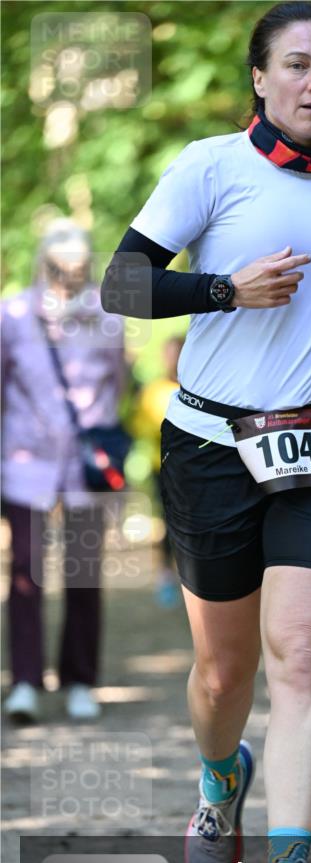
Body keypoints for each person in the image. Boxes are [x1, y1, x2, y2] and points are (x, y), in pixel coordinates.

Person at [102, 1, 311, 863]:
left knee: (305, 658)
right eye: (296, 65)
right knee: (221, 673)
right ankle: (216, 777)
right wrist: (222, 290)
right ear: (260, 77)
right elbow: (120, 284)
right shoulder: (209, 167)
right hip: (210, 447)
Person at [1, 219, 126, 724]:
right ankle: (26, 682)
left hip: (83, 469)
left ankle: (80, 680)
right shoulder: (13, 314)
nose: (67, 280)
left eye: (76, 270)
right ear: (43, 264)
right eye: (58, 269)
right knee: (25, 575)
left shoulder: (107, 318)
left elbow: (118, 387)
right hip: (23, 463)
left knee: (83, 575)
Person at [130, 335, 185, 607]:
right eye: (170, 354)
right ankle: (165, 575)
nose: (173, 359)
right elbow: (139, 425)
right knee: (167, 522)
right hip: (160, 467)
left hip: (191, 469)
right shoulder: (153, 391)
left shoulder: (201, 390)